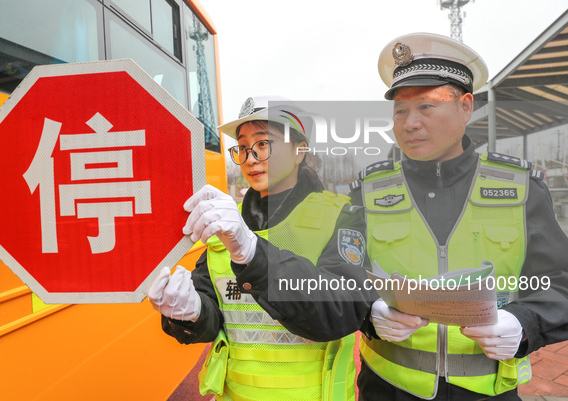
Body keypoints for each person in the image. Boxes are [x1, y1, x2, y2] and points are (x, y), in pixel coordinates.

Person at [212, 33, 568, 401]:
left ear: (465, 107)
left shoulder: (519, 189)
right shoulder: (367, 194)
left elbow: (561, 282)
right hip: (387, 390)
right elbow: (340, 283)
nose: (409, 122)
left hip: (488, 392)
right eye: (400, 110)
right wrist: (369, 313)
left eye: (426, 106)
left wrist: (526, 323)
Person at [148, 95, 356, 401]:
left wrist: (252, 252)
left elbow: (342, 311)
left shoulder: (342, 217)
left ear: (300, 151)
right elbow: (214, 315)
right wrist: (190, 313)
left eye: (262, 144)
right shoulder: (225, 224)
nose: (249, 158)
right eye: (242, 148)